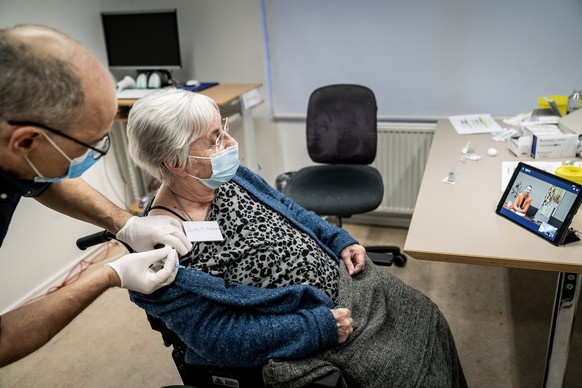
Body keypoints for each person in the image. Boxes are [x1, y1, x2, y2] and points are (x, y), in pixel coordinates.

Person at [126, 88, 467, 387]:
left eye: (223, 129)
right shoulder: (161, 249)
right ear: (176, 163)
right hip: (314, 323)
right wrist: (315, 328)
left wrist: (337, 240)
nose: (230, 143)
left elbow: (293, 210)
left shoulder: (230, 178)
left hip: (344, 280)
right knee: (404, 372)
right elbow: (216, 337)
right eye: (214, 138)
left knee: (427, 316)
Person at [0, 25, 192, 367]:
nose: (96, 154)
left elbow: (42, 179)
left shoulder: (20, 152)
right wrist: (110, 273)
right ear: (25, 141)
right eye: (89, 146)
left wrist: (126, 223)